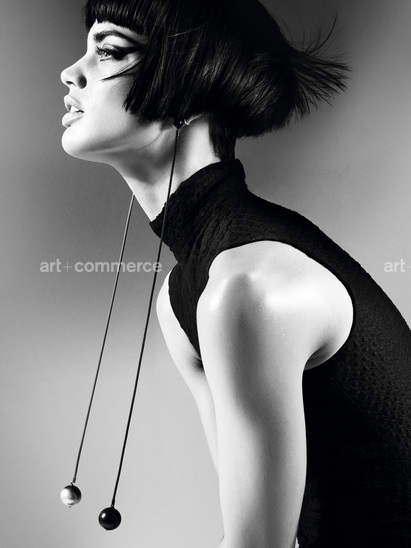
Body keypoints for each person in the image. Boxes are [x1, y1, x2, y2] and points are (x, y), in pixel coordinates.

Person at [60, 0, 411, 546]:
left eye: (108, 51)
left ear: (189, 87)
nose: (70, 72)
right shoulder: (184, 297)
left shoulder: (246, 286)